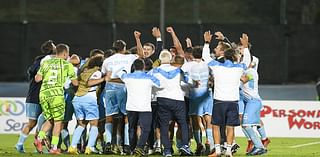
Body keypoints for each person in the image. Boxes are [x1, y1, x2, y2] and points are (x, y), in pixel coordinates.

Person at [101, 31, 144, 154]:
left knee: (109, 116)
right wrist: (137, 39)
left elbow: (105, 74)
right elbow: (141, 55)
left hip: (109, 88)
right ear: (124, 48)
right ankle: (126, 144)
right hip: (123, 86)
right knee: (126, 116)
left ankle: (109, 143)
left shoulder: (107, 60)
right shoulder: (129, 57)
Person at [34, 44, 78, 154]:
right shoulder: (67, 65)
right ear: (64, 53)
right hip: (57, 95)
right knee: (58, 122)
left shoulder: (46, 63)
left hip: (44, 94)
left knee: (50, 120)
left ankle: (39, 139)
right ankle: (54, 148)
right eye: (67, 53)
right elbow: (75, 83)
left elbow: (37, 79)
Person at [149, 50, 193, 157]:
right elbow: (189, 82)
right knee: (183, 123)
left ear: (159, 60)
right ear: (171, 59)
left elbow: (148, 83)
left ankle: (167, 151)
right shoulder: (179, 70)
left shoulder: (154, 71)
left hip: (162, 99)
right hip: (178, 99)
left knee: (164, 125)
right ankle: (185, 146)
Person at [15, 40, 55, 153]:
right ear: (51, 49)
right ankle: (19, 144)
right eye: (54, 46)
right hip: (35, 96)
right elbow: (36, 75)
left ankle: (38, 146)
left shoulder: (41, 61)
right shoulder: (43, 61)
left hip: (42, 97)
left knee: (42, 123)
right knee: (32, 123)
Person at [207, 47, 246, 157]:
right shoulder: (239, 68)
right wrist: (246, 48)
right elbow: (247, 61)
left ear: (224, 56)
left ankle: (218, 150)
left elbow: (206, 57)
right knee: (230, 126)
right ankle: (229, 150)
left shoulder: (217, 67)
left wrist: (206, 43)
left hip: (219, 101)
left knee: (215, 126)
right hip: (233, 101)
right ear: (234, 57)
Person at [117, 58, 161, 156]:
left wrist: (125, 70)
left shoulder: (127, 77)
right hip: (144, 107)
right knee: (146, 129)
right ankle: (139, 147)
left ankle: (133, 149)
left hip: (131, 107)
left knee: (131, 128)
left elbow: (119, 72)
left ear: (133, 67)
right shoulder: (149, 78)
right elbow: (159, 84)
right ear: (144, 67)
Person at [68, 56, 111, 154]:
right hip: (88, 99)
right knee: (94, 124)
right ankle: (90, 147)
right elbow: (90, 82)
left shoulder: (85, 71)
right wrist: (104, 79)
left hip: (78, 99)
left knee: (81, 124)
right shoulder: (97, 72)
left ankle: (72, 146)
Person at [182, 46, 214, 155]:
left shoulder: (188, 65)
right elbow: (213, 77)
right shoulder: (207, 64)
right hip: (207, 92)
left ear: (192, 55)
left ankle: (199, 143)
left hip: (195, 94)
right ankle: (209, 140)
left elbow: (181, 75)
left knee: (195, 119)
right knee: (208, 117)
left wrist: (191, 82)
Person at [241, 56, 267, 155]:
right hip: (251, 102)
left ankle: (259, 146)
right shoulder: (245, 71)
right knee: (250, 124)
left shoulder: (251, 72)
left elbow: (244, 80)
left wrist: (234, 71)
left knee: (246, 125)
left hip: (253, 101)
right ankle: (260, 144)